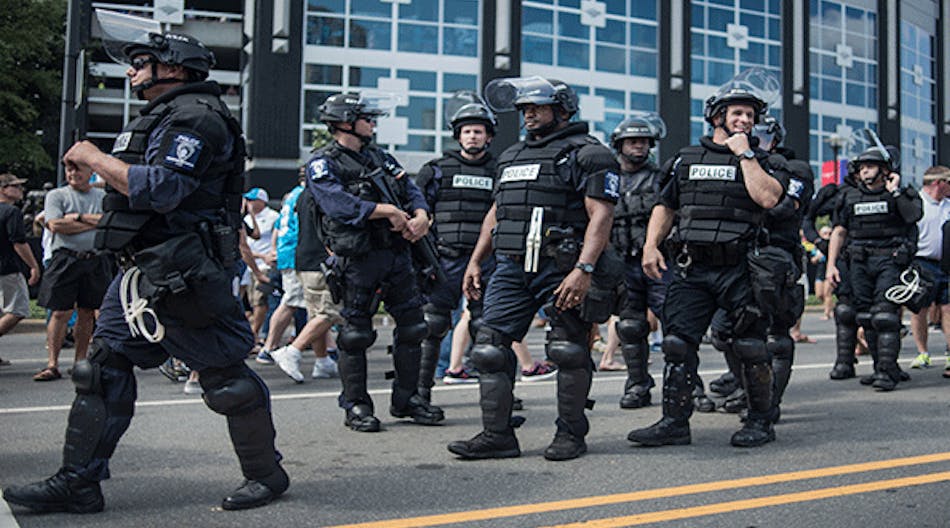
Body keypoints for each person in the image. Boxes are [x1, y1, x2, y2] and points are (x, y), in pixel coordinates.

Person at [3, 21, 288, 513]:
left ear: (173, 67)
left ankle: (266, 476)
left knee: (226, 380)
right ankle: (79, 482)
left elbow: (162, 188)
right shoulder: (162, 116)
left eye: (141, 61)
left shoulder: (196, 117)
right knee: (101, 370)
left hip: (183, 270)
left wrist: (92, 156)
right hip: (138, 271)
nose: (132, 70)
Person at [447, 77, 619, 461]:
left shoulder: (590, 153)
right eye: (524, 109)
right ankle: (498, 436)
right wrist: (476, 260)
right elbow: (497, 212)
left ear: (562, 110)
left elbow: (601, 214)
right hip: (510, 268)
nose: (527, 114)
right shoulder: (510, 156)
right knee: (488, 349)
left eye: (536, 108)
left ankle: (570, 434)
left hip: (561, 267)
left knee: (567, 350)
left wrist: (584, 268)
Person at [627, 69, 788, 448]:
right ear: (717, 116)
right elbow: (666, 206)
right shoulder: (685, 159)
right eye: (737, 113)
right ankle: (674, 423)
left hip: (740, 267)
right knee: (677, 344)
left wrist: (746, 154)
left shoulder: (762, 160)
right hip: (691, 267)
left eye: (750, 115)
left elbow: (768, 198)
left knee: (750, 345)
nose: (744, 120)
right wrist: (651, 245)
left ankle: (761, 421)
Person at [306, 91, 444, 432]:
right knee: (355, 335)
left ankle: (407, 399)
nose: (373, 123)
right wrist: (385, 211)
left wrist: (422, 215)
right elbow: (337, 204)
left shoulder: (380, 157)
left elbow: (410, 189)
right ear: (344, 122)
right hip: (358, 259)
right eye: (367, 118)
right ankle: (356, 405)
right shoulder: (323, 162)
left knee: (414, 328)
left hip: (397, 255)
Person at [706, 114, 814, 421]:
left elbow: (779, 206)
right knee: (725, 332)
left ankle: (769, 403)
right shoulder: (732, 163)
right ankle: (746, 386)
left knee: (776, 336)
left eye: (766, 135)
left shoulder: (794, 169)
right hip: (738, 257)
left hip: (776, 259)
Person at [414, 93, 499, 404]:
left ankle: (496, 395)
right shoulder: (436, 169)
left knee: (487, 327)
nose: (472, 136)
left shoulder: (502, 170)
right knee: (433, 324)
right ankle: (420, 394)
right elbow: (417, 211)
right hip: (444, 258)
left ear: (488, 136)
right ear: (458, 135)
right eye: (466, 131)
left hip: (487, 261)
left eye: (478, 131)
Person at [826, 142, 922, 391]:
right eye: (862, 167)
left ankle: (887, 372)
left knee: (885, 316)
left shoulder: (902, 194)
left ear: (884, 170)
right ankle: (882, 366)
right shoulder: (849, 195)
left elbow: (912, 217)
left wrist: (895, 191)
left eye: (870, 166)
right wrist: (831, 266)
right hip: (857, 261)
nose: (864, 171)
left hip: (889, 260)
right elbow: (839, 231)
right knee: (866, 317)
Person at [606, 112, 669, 409]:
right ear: (619, 144)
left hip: (659, 262)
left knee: (676, 326)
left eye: (644, 141)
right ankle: (638, 384)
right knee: (630, 327)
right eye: (632, 141)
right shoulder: (606, 178)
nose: (639, 146)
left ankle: (686, 386)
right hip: (622, 262)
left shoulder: (661, 178)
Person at [32, 163, 112, 382]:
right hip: (65, 258)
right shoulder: (56, 196)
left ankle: (80, 362)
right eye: (69, 170)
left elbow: (107, 222)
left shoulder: (102, 196)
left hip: (94, 259)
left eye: (78, 170)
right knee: (59, 312)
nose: (73, 174)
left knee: (88, 312)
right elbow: (55, 225)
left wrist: (76, 218)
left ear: (90, 173)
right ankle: (52, 364)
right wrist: (91, 222)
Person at [267, 174, 342, 382]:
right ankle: (292, 351)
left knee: (315, 313)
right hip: (319, 260)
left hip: (300, 257)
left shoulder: (298, 195)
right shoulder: (324, 194)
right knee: (329, 311)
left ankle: (322, 361)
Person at [907, 166, 950, 369]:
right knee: (919, 309)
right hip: (922, 262)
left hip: (947, 264)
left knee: (948, 309)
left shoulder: (948, 205)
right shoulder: (916, 204)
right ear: (938, 183)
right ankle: (922, 352)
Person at [0, 173, 42, 368]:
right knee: (18, 310)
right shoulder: (11, 212)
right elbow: (19, 242)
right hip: (7, 269)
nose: (20, 190)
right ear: (3, 189)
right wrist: (33, 266)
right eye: (15, 186)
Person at [242, 188, 279, 346]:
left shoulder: (273, 216)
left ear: (262, 201)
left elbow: (258, 235)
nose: (249, 203)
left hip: (264, 266)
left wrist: (271, 254)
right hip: (249, 265)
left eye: (252, 200)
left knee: (260, 302)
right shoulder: (246, 219)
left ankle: (255, 334)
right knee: (250, 302)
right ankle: (254, 334)